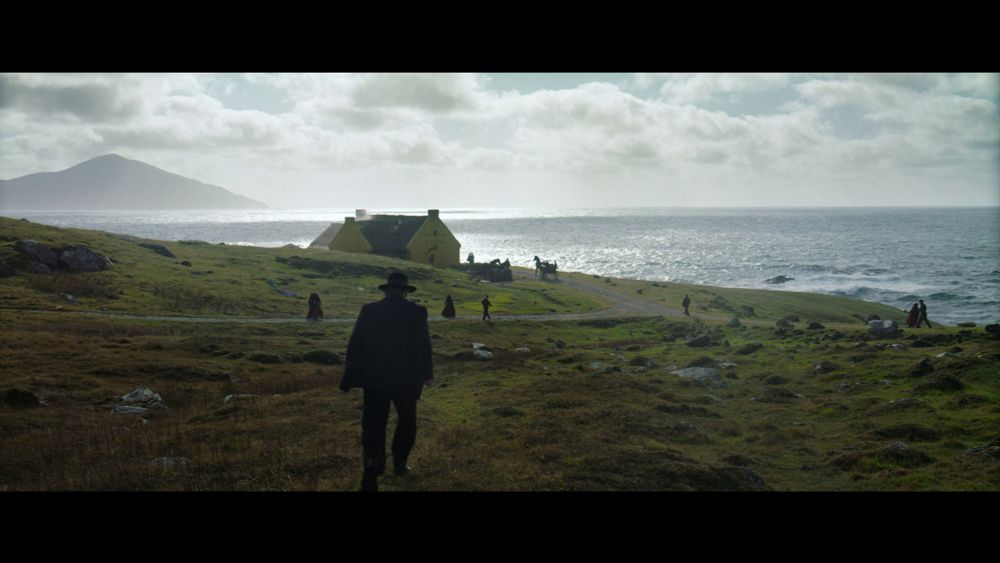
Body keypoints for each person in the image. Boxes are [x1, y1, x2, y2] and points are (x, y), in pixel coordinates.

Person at [340, 272, 434, 492]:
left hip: (374, 378)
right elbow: (422, 345)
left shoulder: (369, 311)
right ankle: (400, 463)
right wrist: (427, 373)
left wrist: (351, 374)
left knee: (373, 425)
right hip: (406, 379)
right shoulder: (416, 312)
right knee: (407, 421)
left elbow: (355, 344)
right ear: (404, 291)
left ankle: (372, 468)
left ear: (386, 290)